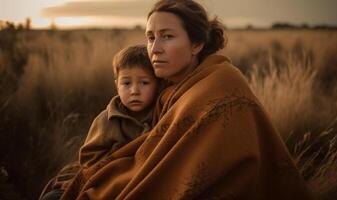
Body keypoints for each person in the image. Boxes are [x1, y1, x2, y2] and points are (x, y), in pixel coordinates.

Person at [60, 0, 314, 199]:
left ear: (197, 44)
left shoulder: (219, 86)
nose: (155, 48)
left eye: (167, 36)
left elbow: (183, 169)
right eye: (150, 37)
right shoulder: (169, 88)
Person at [39, 45, 159, 200]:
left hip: (145, 180)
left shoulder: (161, 113)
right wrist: (117, 159)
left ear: (158, 84)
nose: (135, 90)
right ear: (117, 85)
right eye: (126, 83)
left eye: (144, 83)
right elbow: (89, 157)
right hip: (108, 180)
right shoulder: (107, 119)